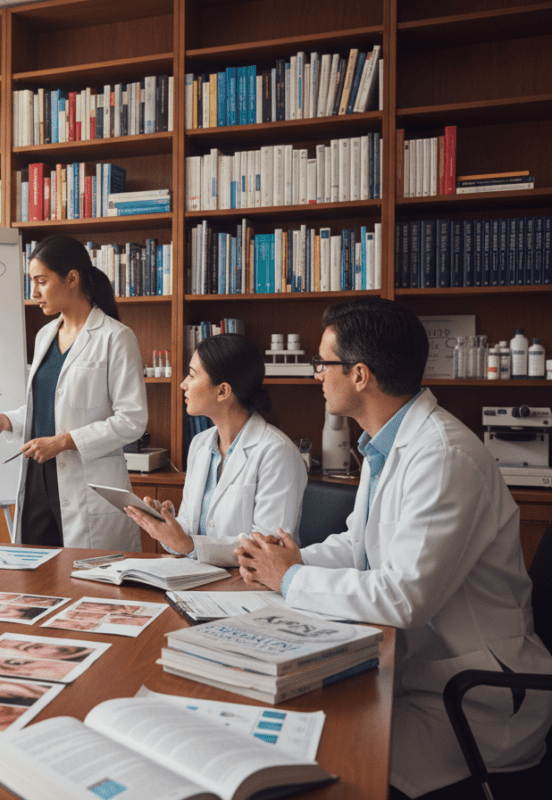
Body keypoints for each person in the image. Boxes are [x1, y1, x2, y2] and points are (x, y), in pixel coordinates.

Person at [233, 298, 552, 800]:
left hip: (470, 697)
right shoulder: (385, 443)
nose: (316, 374)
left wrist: (290, 579)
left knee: (324, 772)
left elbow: (406, 596)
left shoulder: (443, 456)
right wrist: (290, 561)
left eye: (323, 363)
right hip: (416, 670)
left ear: (360, 375)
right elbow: (360, 545)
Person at [0, 235, 148, 550]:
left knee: (86, 587)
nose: (34, 293)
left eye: (41, 281)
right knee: (35, 580)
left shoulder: (115, 338)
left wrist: (65, 441)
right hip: (38, 481)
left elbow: (132, 420)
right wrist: (6, 421)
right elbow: (47, 406)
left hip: (87, 488)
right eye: (31, 282)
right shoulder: (45, 336)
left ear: (72, 279)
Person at [124, 333, 306, 566]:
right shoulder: (200, 444)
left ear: (222, 391)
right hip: (199, 577)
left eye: (191, 375)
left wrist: (189, 545)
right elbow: (190, 530)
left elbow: (268, 547)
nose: (183, 384)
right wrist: (168, 527)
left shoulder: (277, 452)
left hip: (250, 584)